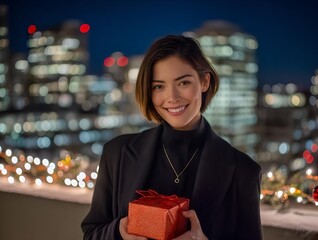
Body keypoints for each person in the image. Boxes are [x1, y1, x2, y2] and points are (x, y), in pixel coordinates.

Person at [81, 35, 262, 240]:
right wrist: (118, 231)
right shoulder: (116, 153)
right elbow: (91, 234)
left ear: (204, 81)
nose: (172, 97)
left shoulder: (244, 171)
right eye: (159, 86)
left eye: (183, 82)